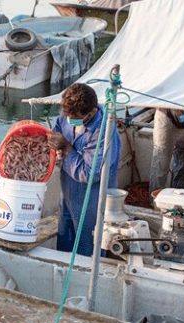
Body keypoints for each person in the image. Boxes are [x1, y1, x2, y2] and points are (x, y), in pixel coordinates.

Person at [47, 83, 121, 257]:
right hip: (68, 196)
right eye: (67, 116)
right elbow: (57, 128)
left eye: (76, 117)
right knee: (65, 244)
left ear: (92, 112)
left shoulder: (104, 133)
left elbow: (89, 173)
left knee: (88, 250)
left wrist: (66, 147)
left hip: (92, 203)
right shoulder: (67, 114)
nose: (70, 120)